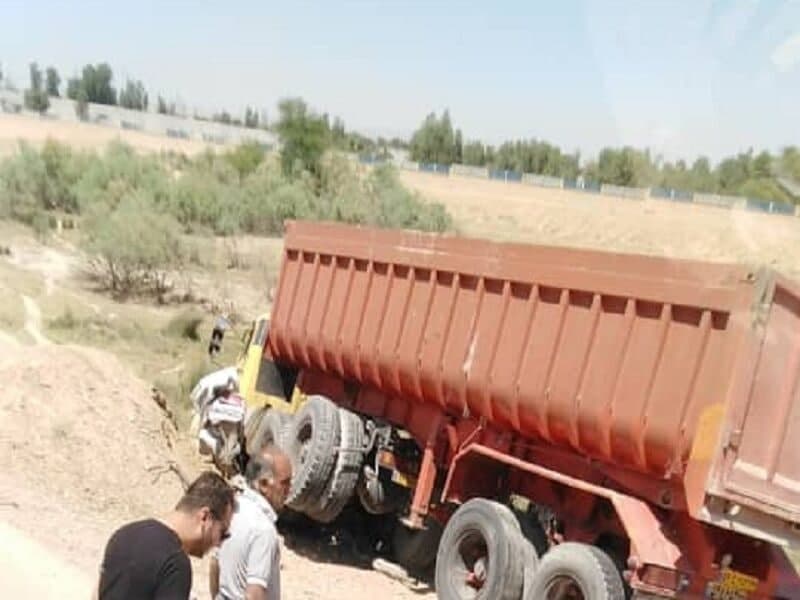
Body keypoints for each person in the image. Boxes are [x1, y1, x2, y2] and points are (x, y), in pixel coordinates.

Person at [97, 471, 235, 600]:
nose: (219, 543)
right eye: (222, 533)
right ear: (205, 517)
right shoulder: (175, 563)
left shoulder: (124, 534)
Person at [211, 444, 292, 600]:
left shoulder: (232, 510)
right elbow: (254, 594)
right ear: (263, 484)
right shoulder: (263, 529)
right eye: (285, 483)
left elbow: (215, 565)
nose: (290, 489)